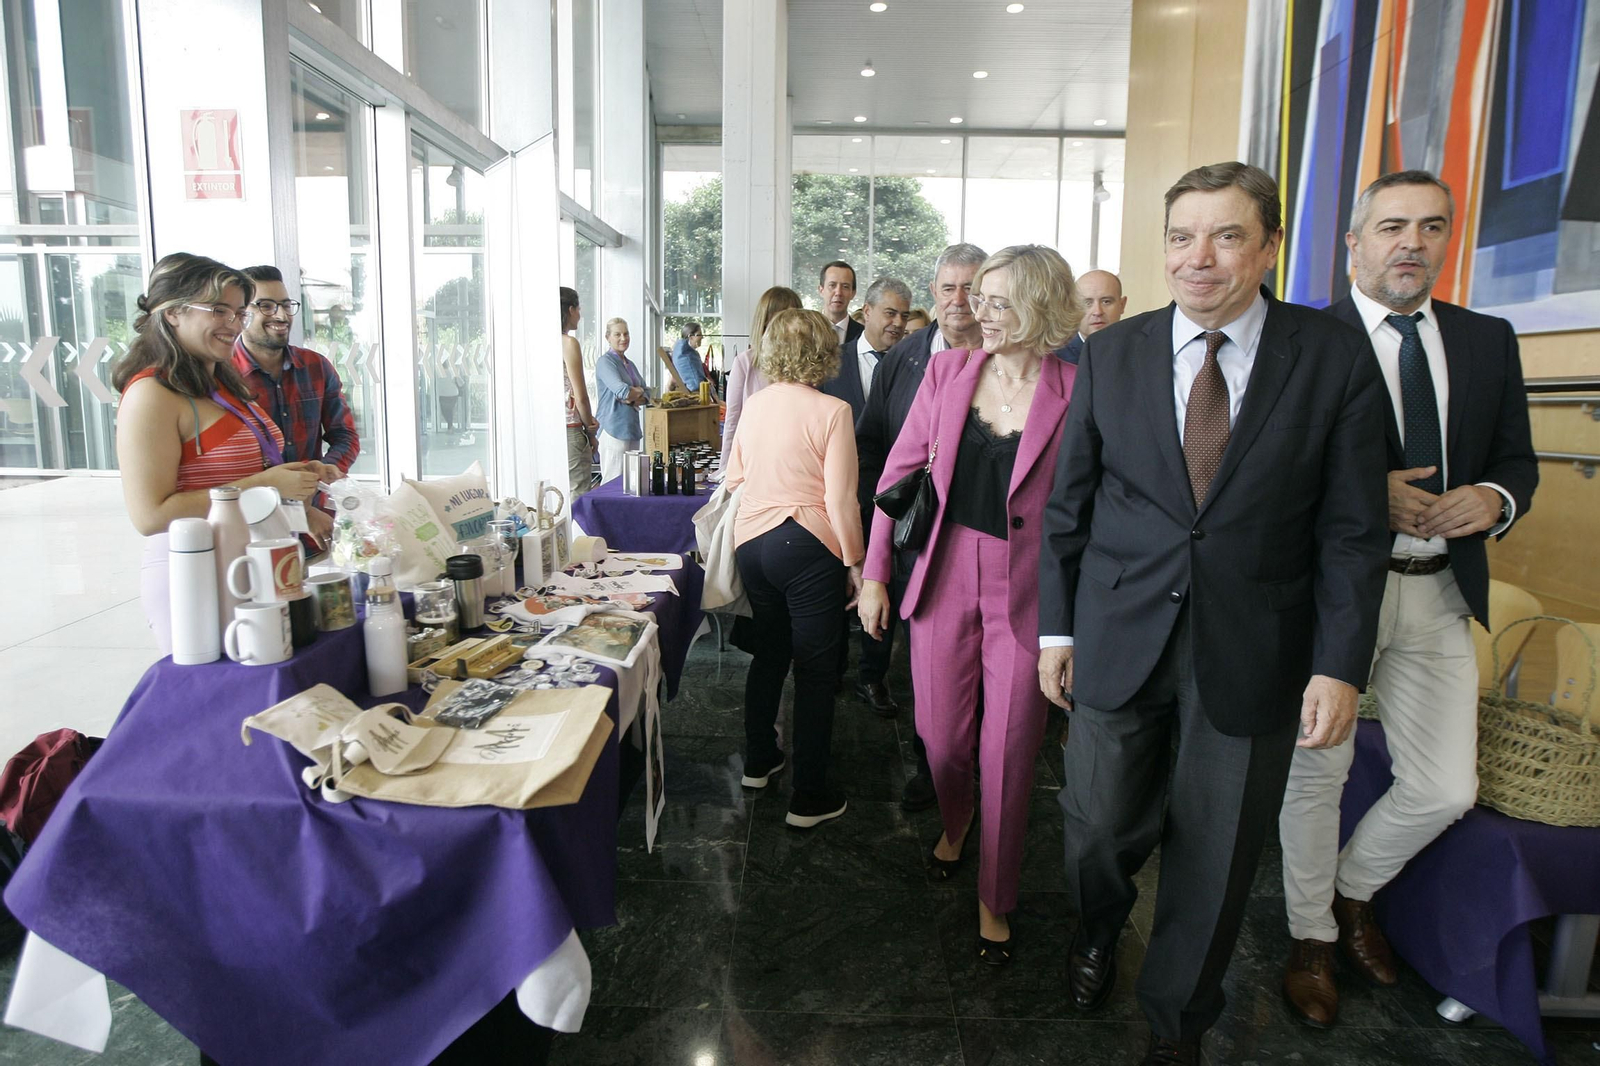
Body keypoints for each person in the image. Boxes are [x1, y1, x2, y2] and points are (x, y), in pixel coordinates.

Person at [1038, 162, 1390, 1066]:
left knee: (1219, 853)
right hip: (1119, 638)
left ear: (1269, 246)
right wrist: (1058, 628)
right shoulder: (1110, 353)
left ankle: (1175, 1024)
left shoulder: (1330, 356)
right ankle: (1095, 926)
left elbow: (1353, 528)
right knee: (1100, 828)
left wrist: (1340, 662)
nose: (1200, 258)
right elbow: (1068, 508)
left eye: (1227, 235)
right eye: (1182, 237)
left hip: (1257, 647)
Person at [1277, 170, 1538, 1028]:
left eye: (1430, 227)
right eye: (1391, 226)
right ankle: (1312, 937)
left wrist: (1493, 501)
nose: (1411, 244)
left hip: (1438, 588)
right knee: (1319, 772)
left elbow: (1517, 461)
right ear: (1352, 242)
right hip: (1333, 594)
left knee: (1445, 786)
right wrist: (1361, 490)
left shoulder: (1487, 338)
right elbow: (1265, 473)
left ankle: (1354, 893)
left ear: (1447, 240)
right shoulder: (1301, 339)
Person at [859, 245, 1080, 964]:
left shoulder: (1077, 391)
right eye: (975, 298)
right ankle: (957, 818)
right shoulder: (950, 373)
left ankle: (996, 893)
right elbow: (896, 477)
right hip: (944, 573)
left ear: (1042, 309)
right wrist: (874, 574)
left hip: (1029, 591)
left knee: (1012, 752)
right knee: (944, 740)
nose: (975, 312)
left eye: (997, 302)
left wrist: (1074, 626)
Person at [112, 253, 321, 654]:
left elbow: (247, 471)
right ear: (172, 313)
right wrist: (264, 485)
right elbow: (150, 515)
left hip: (256, 560)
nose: (234, 324)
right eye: (219, 311)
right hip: (195, 573)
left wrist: (295, 492)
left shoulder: (221, 384)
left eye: (239, 312)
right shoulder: (151, 396)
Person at [856, 242, 988, 811]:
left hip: (992, 547)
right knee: (926, 671)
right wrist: (874, 548)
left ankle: (983, 767)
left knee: (986, 676)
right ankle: (932, 767)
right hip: (917, 545)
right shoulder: (903, 359)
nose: (959, 300)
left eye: (971, 288)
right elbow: (874, 448)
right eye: (949, 288)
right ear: (932, 293)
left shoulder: (1016, 358)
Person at [724, 308, 864, 829]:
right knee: (814, 669)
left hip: (752, 543)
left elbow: (736, 476)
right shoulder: (833, 410)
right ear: (825, 352)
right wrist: (856, 563)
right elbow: (841, 500)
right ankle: (809, 796)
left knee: (769, 653)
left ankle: (759, 761)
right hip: (807, 544)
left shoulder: (757, 404)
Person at [821, 277, 912, 714]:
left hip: (895, 500)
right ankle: (833, 668)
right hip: (840, 497)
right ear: (866, 314)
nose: (897, 323)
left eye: (904, 314)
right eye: (889, 313)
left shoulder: (916, 363)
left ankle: (873, 677)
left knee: (883, 585)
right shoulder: (830, 362)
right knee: (837, 583)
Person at [232, 265, 358, 548]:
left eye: (286, 305)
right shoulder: (222, 377)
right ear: (241, 314)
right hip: (252, 535)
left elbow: (345, 436)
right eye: (266, 305)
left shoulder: (316, 367)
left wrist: (323, 472)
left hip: (317, 531)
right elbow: (230, 473)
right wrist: (298, 510)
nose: (281, 315)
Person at [719, 286, 803, 472]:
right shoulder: (745, 362)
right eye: (778, 316)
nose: (784, 324)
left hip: (796, 462)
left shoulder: (806, 365)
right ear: (765, 320)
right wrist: (725, 469)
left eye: (791, 316)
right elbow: (733, 419)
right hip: (754, 462)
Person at [594, 317, 647, 483]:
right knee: (612, 483)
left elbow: (648, 394)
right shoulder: (605, 362)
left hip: (632, 429)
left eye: (626, 334)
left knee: (631, 482)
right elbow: (622, 390)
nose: (623, 338)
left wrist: (633, 395)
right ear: (608, 337)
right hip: (613, 429)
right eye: (617, 334)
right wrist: (632, 393)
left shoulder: (629, 363)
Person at [561, 287, 599, 499]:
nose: (580, 314)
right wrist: (590, 429)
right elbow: (580, 396)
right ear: (570, 309)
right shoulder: (568, 343)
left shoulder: (537, 343)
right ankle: (577, 534)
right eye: (578, 309)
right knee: (578, 494)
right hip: (571, 428)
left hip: (548, 429)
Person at [1060, 269, 1128, 363]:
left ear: (1122, 305)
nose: (1097, 312)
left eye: (1106, 302)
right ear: (1073, 307)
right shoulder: (1056, 358)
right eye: (1087, 303)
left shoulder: (1138, 351)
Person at [818, 261, 864, 347]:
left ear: (853, 293)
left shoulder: (863, 335)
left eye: (845, 287)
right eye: (832, 285)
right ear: (821, 290)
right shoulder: (807, 331)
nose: (838, 292)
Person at [671, 321, 708, 393]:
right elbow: (695, 386)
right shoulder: (685, 356)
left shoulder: (683, 352)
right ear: (690, 337)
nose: (702, 337)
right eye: (699, 335)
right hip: (697, 395)